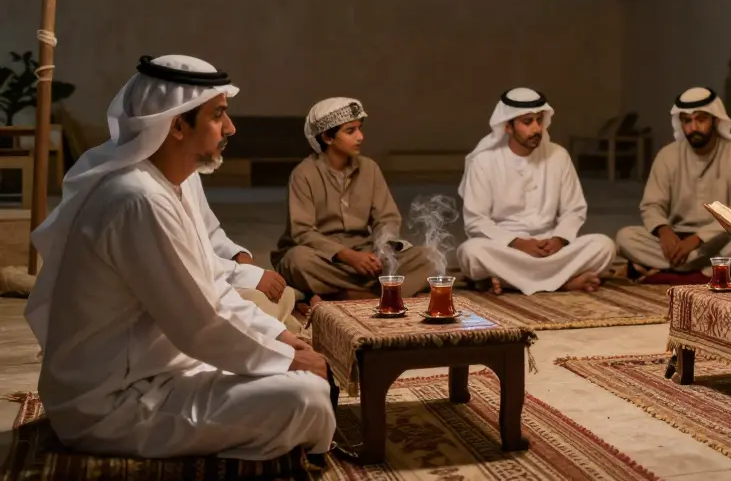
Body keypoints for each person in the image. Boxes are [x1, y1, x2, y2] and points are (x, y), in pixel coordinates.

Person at [25, 55, 334, 460]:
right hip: (112, 402)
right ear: (176, 126)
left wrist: (281, 338)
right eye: (218, 115)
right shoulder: (138, 199)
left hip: (158, 370)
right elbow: (200, 325)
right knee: (306, 399)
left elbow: (214, 288)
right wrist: (290, 360)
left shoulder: (174, 184)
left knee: (297, 379)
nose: (230, 128)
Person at [456, 88, 616, 294]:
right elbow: (476, 221)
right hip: (507, 248)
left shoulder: (558, 156)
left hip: (551, 249)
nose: (537, 128)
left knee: (604, 246)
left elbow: (574, 210)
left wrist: (559, 239)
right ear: (507, 126)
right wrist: (518, 243)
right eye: (527, 122)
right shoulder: (484, 161)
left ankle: (507, 281)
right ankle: (564, 282)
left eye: (539, 120)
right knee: (471, 252)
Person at [273, 98, 433, 299]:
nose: (360, 137)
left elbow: (387, 218)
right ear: (327, 137)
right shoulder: (303, 174)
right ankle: (379, 294)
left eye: (360, 129)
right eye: (350, 131)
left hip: (367, 254)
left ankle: (348, 295)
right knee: (297, 261)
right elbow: (303, 232)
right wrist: (347, 256)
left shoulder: (370, 168)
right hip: (325, 258)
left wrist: (382, 249)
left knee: (428, 258)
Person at [616, 87, 731, 277]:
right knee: (625, 237)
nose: (693, 127)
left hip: (721, 237)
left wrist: (698, 239)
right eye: (686, 120)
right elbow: (652, 204)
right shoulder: (668, 155)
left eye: (701, 119)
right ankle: (705, 272)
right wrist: (664, 231)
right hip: (678, 237)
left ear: (716, 120)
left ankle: (666, 270)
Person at [197, 174, 304, 333]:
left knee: (281, 293)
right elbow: (189, 261)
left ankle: (278, 322)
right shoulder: (158, 197)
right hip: (195, 284)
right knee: (261, 300)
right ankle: (278, 328)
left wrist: (237, 254)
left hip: (217, 271)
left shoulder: (190, 176)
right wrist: (247, 275)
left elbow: (210, 232)